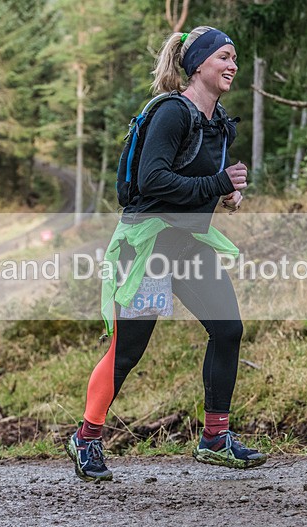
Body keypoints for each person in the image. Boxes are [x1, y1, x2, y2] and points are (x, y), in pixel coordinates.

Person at [66, 26, 265, 483]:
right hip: (147, 247)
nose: (233, 65)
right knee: (127, 351)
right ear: (198, 64)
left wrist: (228, 196)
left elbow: (200, 185)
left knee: (228, 329)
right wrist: (217, 185)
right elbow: (154, 181)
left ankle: (215, 438)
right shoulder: (173, 113)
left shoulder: (217, 124)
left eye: (235, 58)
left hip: (189, 246)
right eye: (225, 57)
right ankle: (87, 437)